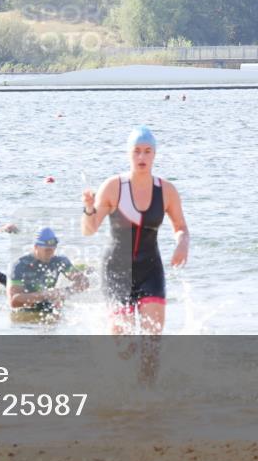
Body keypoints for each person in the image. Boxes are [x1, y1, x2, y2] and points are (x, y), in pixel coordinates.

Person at [81, 126, 189, 335]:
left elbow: (181, 227)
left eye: (147, 151)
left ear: (154, 154)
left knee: (152, 342)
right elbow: (89, 229)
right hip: (117, 270)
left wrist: (182, 244)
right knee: (124, 346)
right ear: (128, 154)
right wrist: (87, 208)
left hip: (150, 270)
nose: (142, 156)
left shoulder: (166, 190)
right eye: (136, 151)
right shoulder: (113, 187)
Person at [0, 228, 88, 316]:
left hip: (41, 295)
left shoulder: (59, 261)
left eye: (53, 249)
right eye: (47, 250)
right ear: (36, 247)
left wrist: (66, 291)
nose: (50, 254)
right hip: (23, 289)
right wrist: (46, 294)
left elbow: (84, 282)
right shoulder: (19, 265)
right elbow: (14, 301)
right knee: (5, 280)